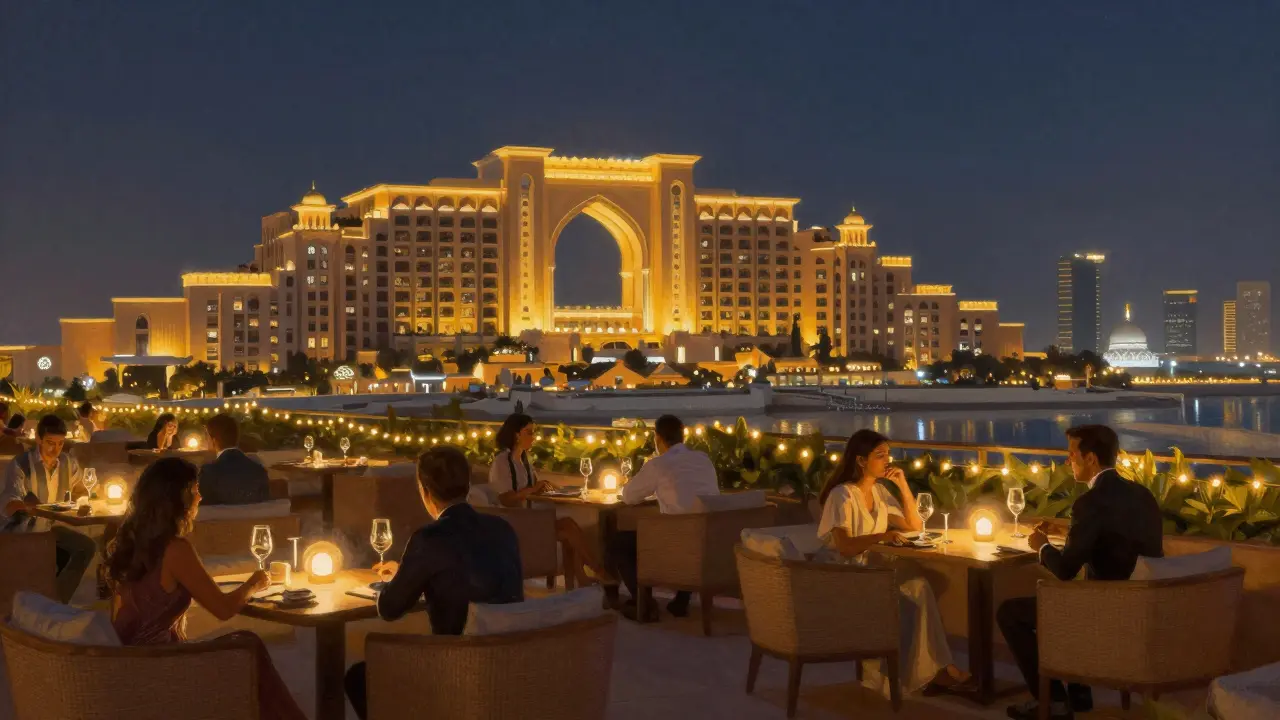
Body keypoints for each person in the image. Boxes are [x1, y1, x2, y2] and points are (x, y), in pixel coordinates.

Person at [104, 457, 306, 720]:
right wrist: (255, 583)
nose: (200, 496)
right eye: (195, 490)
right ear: (178, 497)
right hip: (158, 665)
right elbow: (223, 609)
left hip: (127, 659)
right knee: (247, 644)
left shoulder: (132, 543)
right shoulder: (175, 550)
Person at [997, 424, 1164, 720]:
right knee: (1068, 600)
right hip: (1141, 607)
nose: (1067, 461)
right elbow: (1115, 541)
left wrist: (1042, 545)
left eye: (1071, 454)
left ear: (1090, 459)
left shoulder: (1089, 502)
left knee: (1011, 613)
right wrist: (1070, 532)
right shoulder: (1142, 495)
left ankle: (1055, 702)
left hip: (1103, 608)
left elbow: (1064, 570)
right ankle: (1079, 692)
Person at [344, 446, 523, 719]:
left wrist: (401, 579)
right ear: (468, 484)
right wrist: (411, 571)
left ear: (424, 490)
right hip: (507, 661)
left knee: (359, 676)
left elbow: (390, 608)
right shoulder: (503, 529)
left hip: (453, 666)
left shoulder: (430, 539)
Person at [816, 429, 971, 695]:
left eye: (888, 454)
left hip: (872, 575)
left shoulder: (878, 492)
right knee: (913, 592)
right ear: (862, 460)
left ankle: (932, 670)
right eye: (880, 455)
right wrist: (883, 536)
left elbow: (914, 526)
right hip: (844, 579)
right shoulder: (842, 495)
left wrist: (902, 485)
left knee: (920, 587)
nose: (888, 461)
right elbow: (845, 547)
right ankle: (921, 672)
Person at [611, 414, 720, 621]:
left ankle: (643, 603)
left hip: (676, 542)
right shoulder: (704, 460)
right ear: (683, 436)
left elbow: (628, 496)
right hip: (708, 541)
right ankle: (680, 601)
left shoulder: (658, 465)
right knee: (685, 522)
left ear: (657, 438)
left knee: (619, 543)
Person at [480, 413, 610, 586]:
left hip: (530, 518)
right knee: (568, 527)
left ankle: (580, 579)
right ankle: (596, 572)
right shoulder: (502, 462)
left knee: (569, 527)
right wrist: (532, 489)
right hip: (514, 523)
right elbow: (506, 499)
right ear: (516, 435)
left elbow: (529, 490)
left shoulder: (524, 461)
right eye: (529, 432)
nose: (534, 437)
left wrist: (544, 487)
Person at [0, 414, 96, 602]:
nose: (56, 449)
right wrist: (31, 506)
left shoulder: (67, 463)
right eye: (51, 443)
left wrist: (86, 498)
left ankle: (57, 601)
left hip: (49, 528)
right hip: (21, 531)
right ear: (38, 439)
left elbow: (81, 489)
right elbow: (10, 503)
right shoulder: (21, 464)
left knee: (86, 546)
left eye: (61, 443)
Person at [196, 413, 271, 505]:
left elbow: (203, 508)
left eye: (206, 437)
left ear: (213, 440)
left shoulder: (209, 472)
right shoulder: (259, 471)